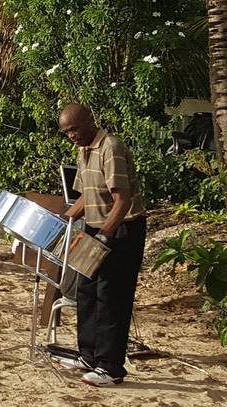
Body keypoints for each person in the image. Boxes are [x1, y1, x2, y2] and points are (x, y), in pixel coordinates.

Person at [58, 103, 147, 387]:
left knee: (111, 296)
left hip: (120, 229)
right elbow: (86, 195)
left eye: (74, 128)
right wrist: (65, 221)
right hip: (96, 227)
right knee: (86, 290)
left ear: (89, 121)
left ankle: (111, 367)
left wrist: (105, 236)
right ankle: (88, 356)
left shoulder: (110, 148)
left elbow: (122, 199)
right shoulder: (83, 150)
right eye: (66, 132)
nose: (71, 135)